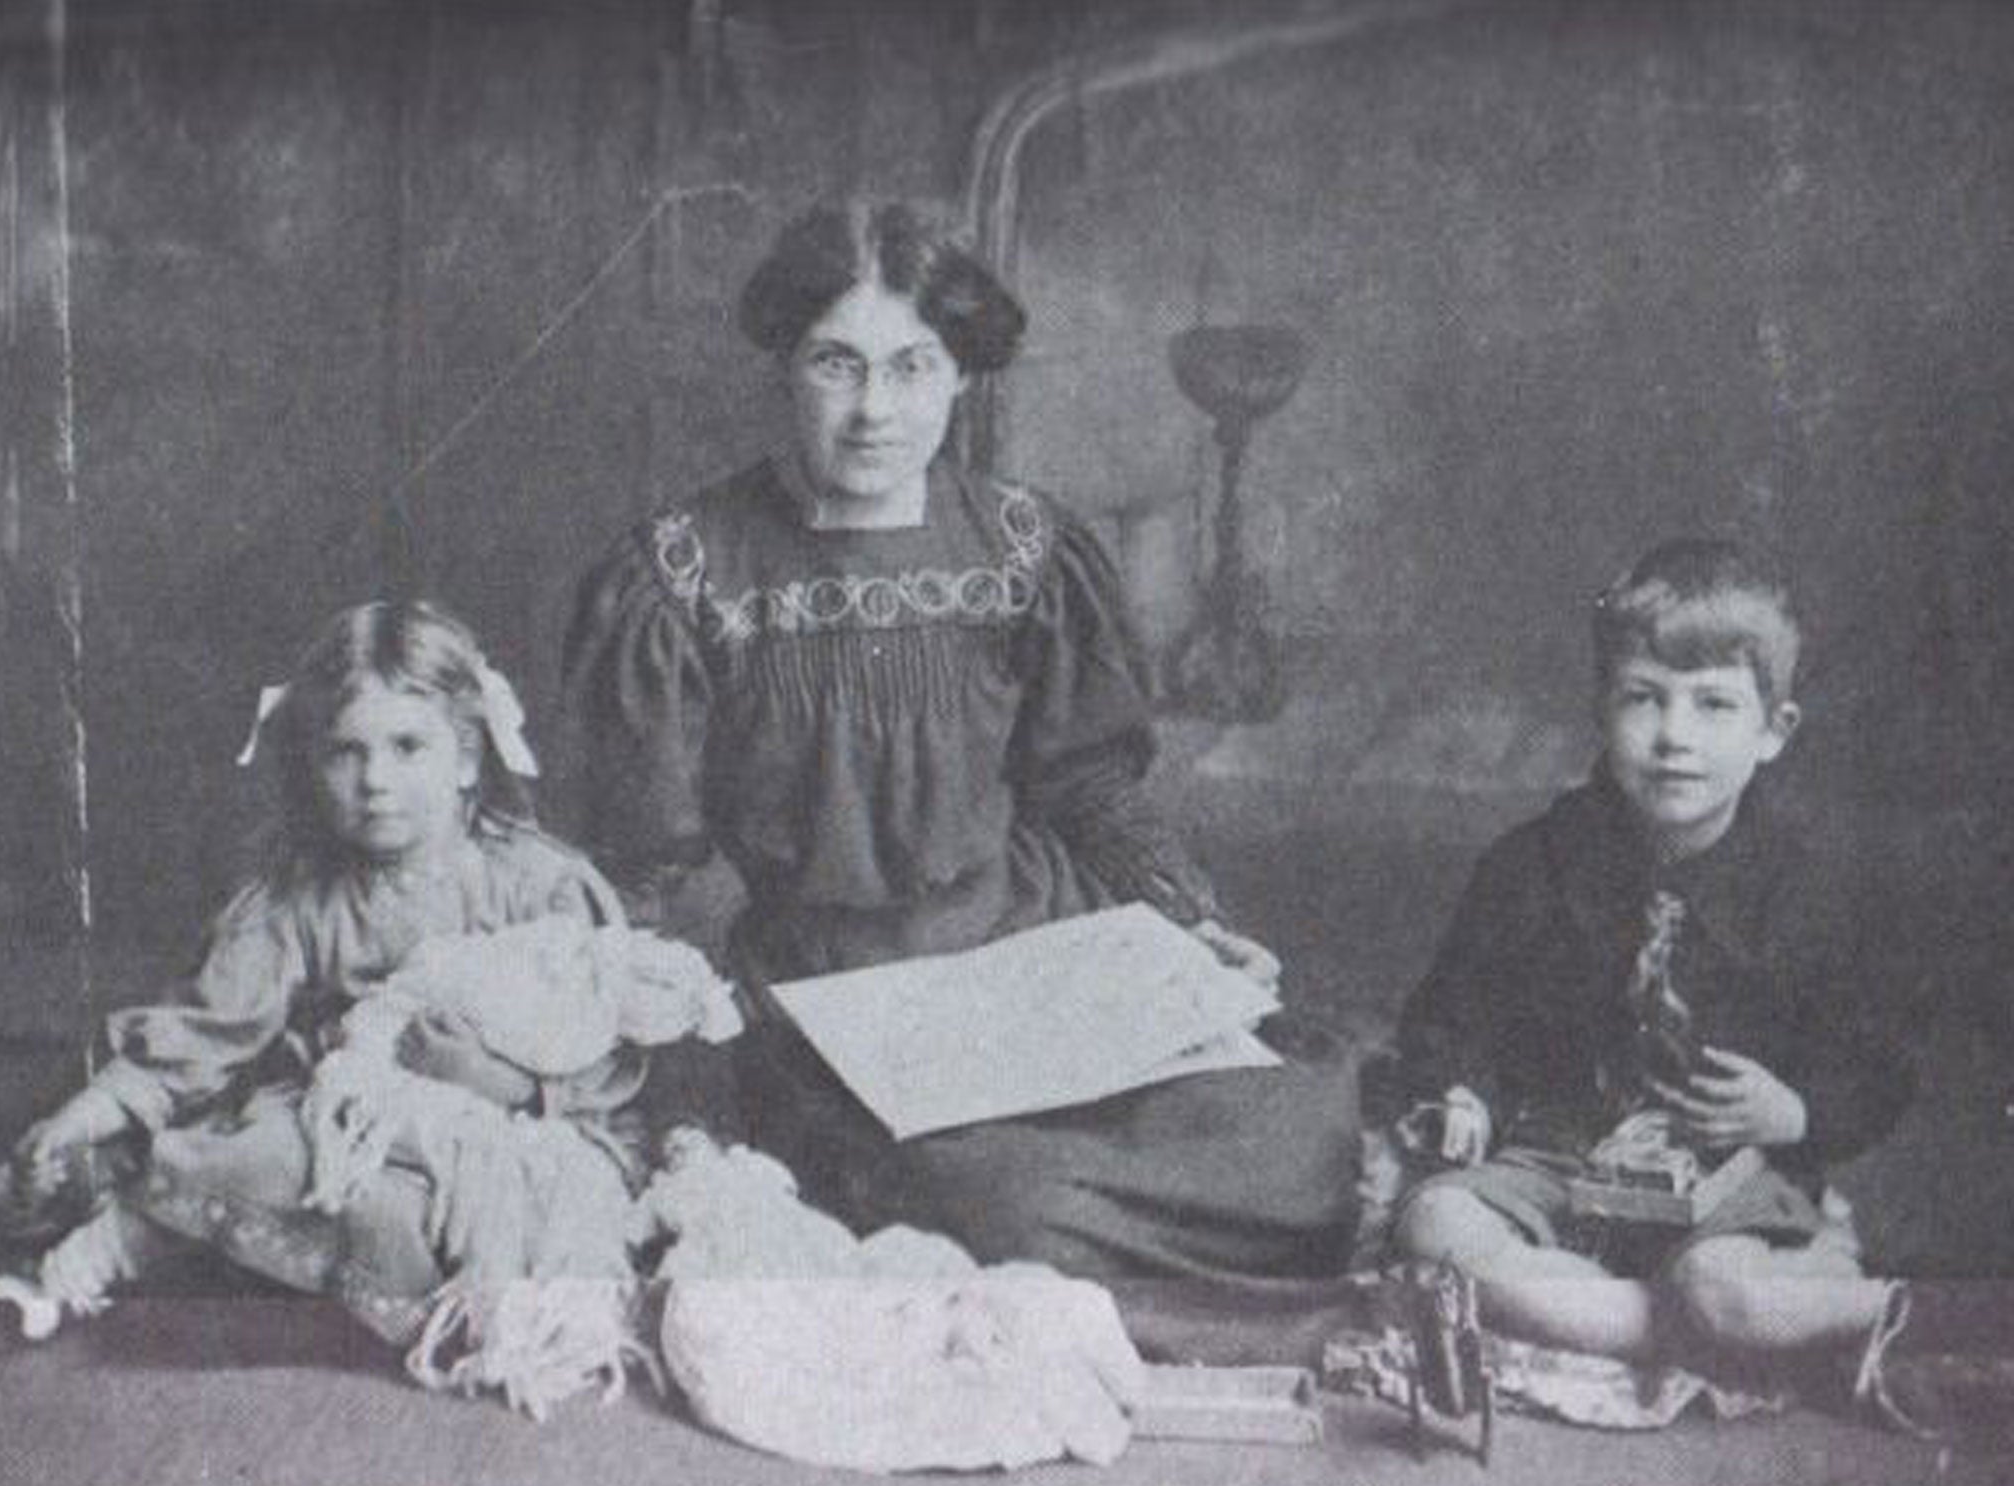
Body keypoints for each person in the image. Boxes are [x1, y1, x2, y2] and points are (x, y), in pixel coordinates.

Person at [566, 199, 1359, 1281]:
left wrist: (1188, 922)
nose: (874, 412)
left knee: (1294, 1136)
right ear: (780, 370)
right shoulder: (684, 573)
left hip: (1034, 958)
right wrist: (682, 1028)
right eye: (836, 365)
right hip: (827, 999)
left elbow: (1088, 789)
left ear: (959, 377)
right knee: (988, 1204)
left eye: (914, 368)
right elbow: (648, 866)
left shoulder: (1025, 547)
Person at [0, 600, 665, 1361]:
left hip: (505, 1142)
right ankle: (77, 1268)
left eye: (408, 747)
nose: (375, 780)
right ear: (312, 765)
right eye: (346, 752)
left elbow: (612, 1057)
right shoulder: (294, 903)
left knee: (428, 1223)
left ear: (467, 758)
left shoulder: (543, 886)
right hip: (343, 1130)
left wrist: (503, 1083)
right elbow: (199, 1037)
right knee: (275, 1154)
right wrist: (87, 1113)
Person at [1392, 538, 1917, 1393]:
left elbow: (1878, 1061)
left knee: (1726, 1292)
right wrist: (1463, 1092)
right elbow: (1451, 1015)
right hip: (1558, 1153)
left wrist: (1793, 1111)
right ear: (1601, 709)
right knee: (1434, 1225)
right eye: (1644, 699)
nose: (1674, 737)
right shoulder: (1534, 865)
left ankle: (1798, 1309)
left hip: (1724, 1178)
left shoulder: (1805, 891)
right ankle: (1645, 1329)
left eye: (1714, 706)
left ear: (1773, 733)